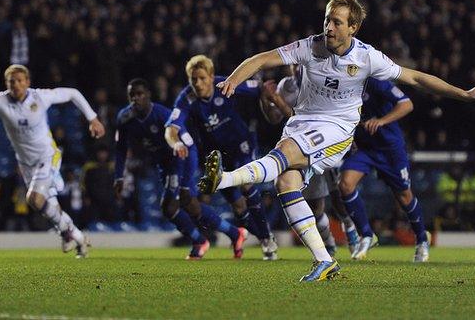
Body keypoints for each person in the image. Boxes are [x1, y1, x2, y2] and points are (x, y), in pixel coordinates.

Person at [198, 0, 475, 281]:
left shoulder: (367, 57)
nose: (329, 28)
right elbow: (261, 59)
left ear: (353, 28)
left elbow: (415, 78)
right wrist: (234, 79)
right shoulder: (310, 46)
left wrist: (462, 93)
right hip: (302, 123)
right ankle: (324, 261)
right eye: (327, 20)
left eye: (337, 22)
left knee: (285, 153)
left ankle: (223, 179)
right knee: (285, 183)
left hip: (336, 129)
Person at [0, 64, 105, 258]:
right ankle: (77, 237)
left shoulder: (40, 97)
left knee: (34, 199)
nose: (16, 85)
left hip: (47, 156)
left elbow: (72, 93)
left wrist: (93, 118)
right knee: (49, 205)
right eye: (12, 81)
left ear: (27, 82)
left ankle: (67, 232)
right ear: (7, 83)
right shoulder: (1, 101)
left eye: (20, 81)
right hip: (26, 163)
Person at [115, 78, 244, 259]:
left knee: (174, 204)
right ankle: (232, 233)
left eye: (140, 94)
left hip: (182, 156)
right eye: (132, 95)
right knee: (179, 207)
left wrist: (179, 149)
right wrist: (118, 176)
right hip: (163, 163)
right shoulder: (124, 117)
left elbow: (186, 140)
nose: (136, 99)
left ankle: (201, 241)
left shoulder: (162, 114)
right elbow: (121, 148)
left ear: (148, 96)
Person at [165, 55, 278, 260]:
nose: (197, 84)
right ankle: (263, 237)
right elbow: (171, 129)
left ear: (211, 76)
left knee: (247, 186)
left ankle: (267, 239)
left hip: (241, 145)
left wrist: (272, 103)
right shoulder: (186, 98)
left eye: (201, 78)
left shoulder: (225, 84)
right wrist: (177, 143)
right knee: (238, 208)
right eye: (193, 79)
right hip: (216, 156)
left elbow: (259, 87)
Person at [260, 70, 359, 256]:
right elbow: (274, 118)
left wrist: (277, 100)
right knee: (315, 206)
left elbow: (304, 119)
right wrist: (266, 99)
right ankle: (329, 244)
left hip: (325, 142)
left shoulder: (321, 81)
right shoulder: (286, 86)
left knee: (338, 194)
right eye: (292, 63)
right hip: (300, 148)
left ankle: (349, 227)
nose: (296, 66)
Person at [339, 77, 431, 262]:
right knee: (345, 184)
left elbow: (406, 104)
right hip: (365, 148)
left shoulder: (376, 82)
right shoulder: (340, 86)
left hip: (390, 149)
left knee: (404, 196)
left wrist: (381, 121)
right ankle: (366, 235)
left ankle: (421, 240)